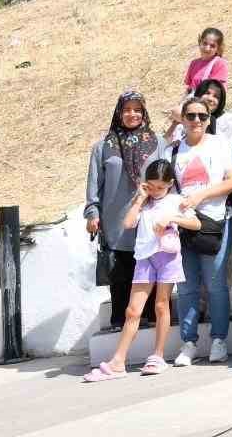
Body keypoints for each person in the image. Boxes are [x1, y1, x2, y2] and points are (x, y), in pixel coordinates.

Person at [83, 161, 200, 381]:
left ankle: (158, 355)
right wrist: (139, 198)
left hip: (167, 256)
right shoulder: (143, 202)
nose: (156, 191)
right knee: (132, 310)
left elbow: (196, 223)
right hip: (144, 257)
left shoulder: (176, 201)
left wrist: (172, 218)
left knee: (161, 304)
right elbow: (127, 223)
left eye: (160, 187)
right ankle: (118, 361)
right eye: (152, 186)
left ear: (170, 184)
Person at [168, 95, 232, 367]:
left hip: (213, 222)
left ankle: (219, 339)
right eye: (191, 116)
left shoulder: (219, 145)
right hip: (182, 224)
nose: (197, 120)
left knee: (215, 284)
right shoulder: (174, 151)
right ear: (183, 120)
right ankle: (189, 342)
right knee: (186, 286)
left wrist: (201, 196)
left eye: (202, 116)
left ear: (209, 120)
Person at [85, 90, 166, 331]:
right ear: (119, 112)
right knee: (120, 274)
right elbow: (94, 184)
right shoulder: (103, 147)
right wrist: (92, 213)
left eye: (137, 109)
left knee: (150, 268)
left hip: (149, 219)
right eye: (127, 109)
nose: (132, 114)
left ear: (144, 113)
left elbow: (168, 179)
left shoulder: (157, 143)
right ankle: (120, 320)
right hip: (115, 222)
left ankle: (151, 318)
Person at [184, 26, 228, 92]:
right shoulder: (194, 63)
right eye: (205, 43)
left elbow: (216, 90)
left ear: (218, 48)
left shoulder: (219, 64)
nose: (207, 48)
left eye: (212, 46)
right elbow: (189, 87)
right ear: (200, 42)